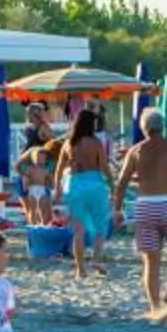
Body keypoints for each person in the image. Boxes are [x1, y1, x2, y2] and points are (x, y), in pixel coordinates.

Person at [117, 106, 167, 319]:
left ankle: (155, 307)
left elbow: (121, 183)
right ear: (162, 127)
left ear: (144, 129)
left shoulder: (135, 151)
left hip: (145, 206)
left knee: (151, 260)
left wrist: (117, 209)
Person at [58, 105, 115, 281]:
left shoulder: (69, 143)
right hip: (95, 184)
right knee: (100, 224)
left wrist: (57, 190)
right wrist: (113, 185)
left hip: (75, 185)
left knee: (79, 229)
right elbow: (104, 167)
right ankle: (96, 259)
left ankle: (80, 269)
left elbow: (59, 169)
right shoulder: (96, 143)